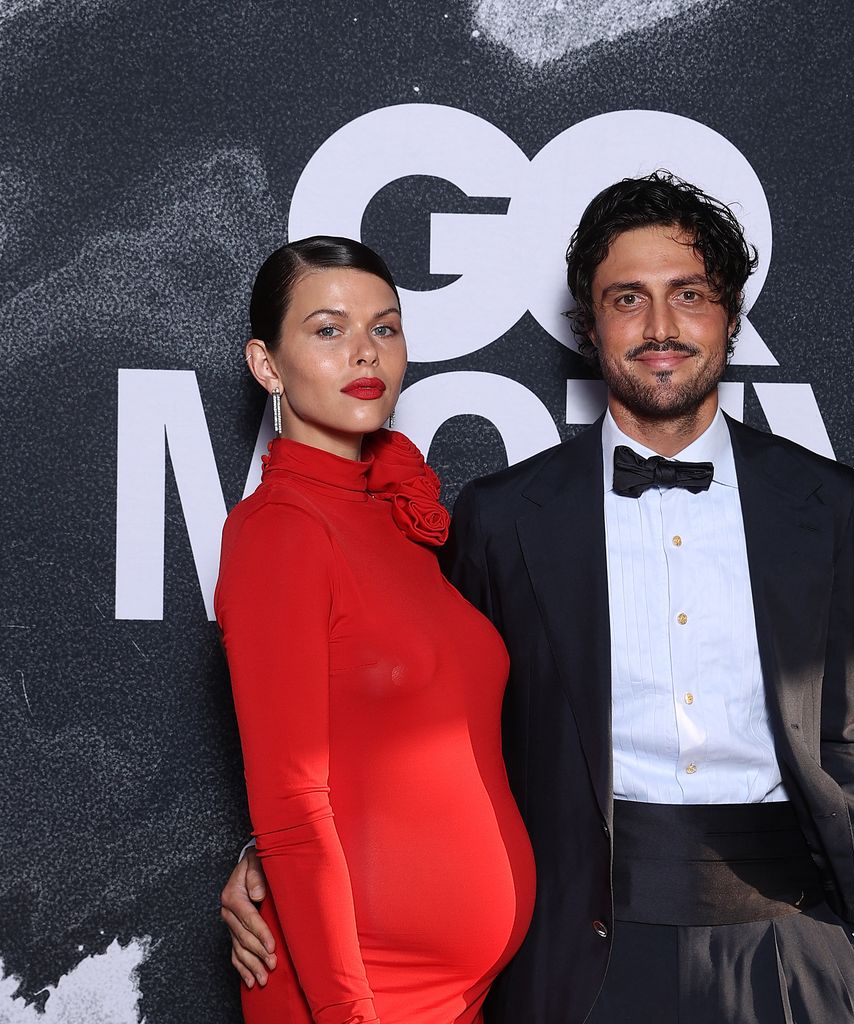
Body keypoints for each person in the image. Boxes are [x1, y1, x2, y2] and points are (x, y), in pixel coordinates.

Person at [222, 176, 854, 1023]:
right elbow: (423, 731)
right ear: (589, 326)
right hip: (577, 945)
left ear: (729, 317)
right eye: (626, 300)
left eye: (689, 295)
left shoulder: (825, 501)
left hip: (789, 939)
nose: (660, 328)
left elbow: (842, 729)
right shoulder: (502, 517)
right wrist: (268, 856)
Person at [215, 235, 535, 1024]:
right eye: (327, 330)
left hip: (457, 995)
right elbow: (291, 799)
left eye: (384, 328)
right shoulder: (279, 530)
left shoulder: (397, 517)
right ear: (267, 365)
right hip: (362, 994)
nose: (365, 350)